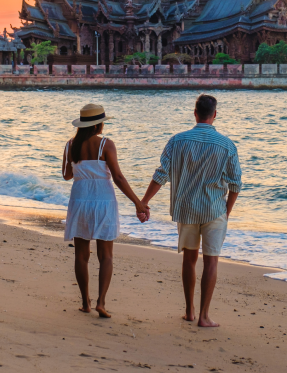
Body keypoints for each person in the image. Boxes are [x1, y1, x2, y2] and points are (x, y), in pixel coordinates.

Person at [138, 94, 241, 328]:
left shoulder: (177, 141)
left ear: (195, 113)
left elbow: (161, 175)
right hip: (214, 209)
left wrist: (143, 202)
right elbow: (236, 183)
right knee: (211, 261)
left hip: (186, 209)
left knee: (189, 259)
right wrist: (227, 211)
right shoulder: (226, 145)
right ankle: (205, 316)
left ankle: (189, 311)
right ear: (214, 115)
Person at [62, 103, 147, 318]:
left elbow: (66, 175)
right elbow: (118, 177)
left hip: (80, 200)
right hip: (103, 200)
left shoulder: (70, 145)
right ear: (99, 125)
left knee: (81, 255)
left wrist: (82, 168)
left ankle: (85, 302)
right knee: (106, 255)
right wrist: (138, 203)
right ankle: (101, 302)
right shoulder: (106, 145)